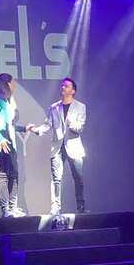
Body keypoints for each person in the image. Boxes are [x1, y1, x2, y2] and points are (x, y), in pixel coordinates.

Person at [28, 78, 87, 215]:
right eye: (62, 85)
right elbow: (47, 125)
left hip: (74, 147)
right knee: (56, 178)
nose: (63, 87)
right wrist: (36, 130)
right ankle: (55, 207)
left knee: (78, 177)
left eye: (66, 86)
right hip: (57, 147)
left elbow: (80, 127)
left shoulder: (80, 107)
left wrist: (71, 122)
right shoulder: (54, 107)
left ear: (73, 91)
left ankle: (81, 206)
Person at [0, 73, 32, 218]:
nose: (14, 85)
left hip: (9, 142)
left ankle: (13, 207)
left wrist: (25, 128)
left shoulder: (6, 100)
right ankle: (5, 210)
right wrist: (0, 139)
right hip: (0, 144)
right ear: (7, 84)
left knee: (14, 174)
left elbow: (9, 125)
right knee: (3, 175)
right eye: (13, 82)